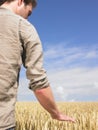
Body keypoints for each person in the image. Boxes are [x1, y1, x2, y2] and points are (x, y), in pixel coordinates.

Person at [0, 0, 75, 129]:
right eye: (28, 13)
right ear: (20, 2)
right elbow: (38, 83)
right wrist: (55, 113)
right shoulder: (22, 25)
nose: (27, 18)